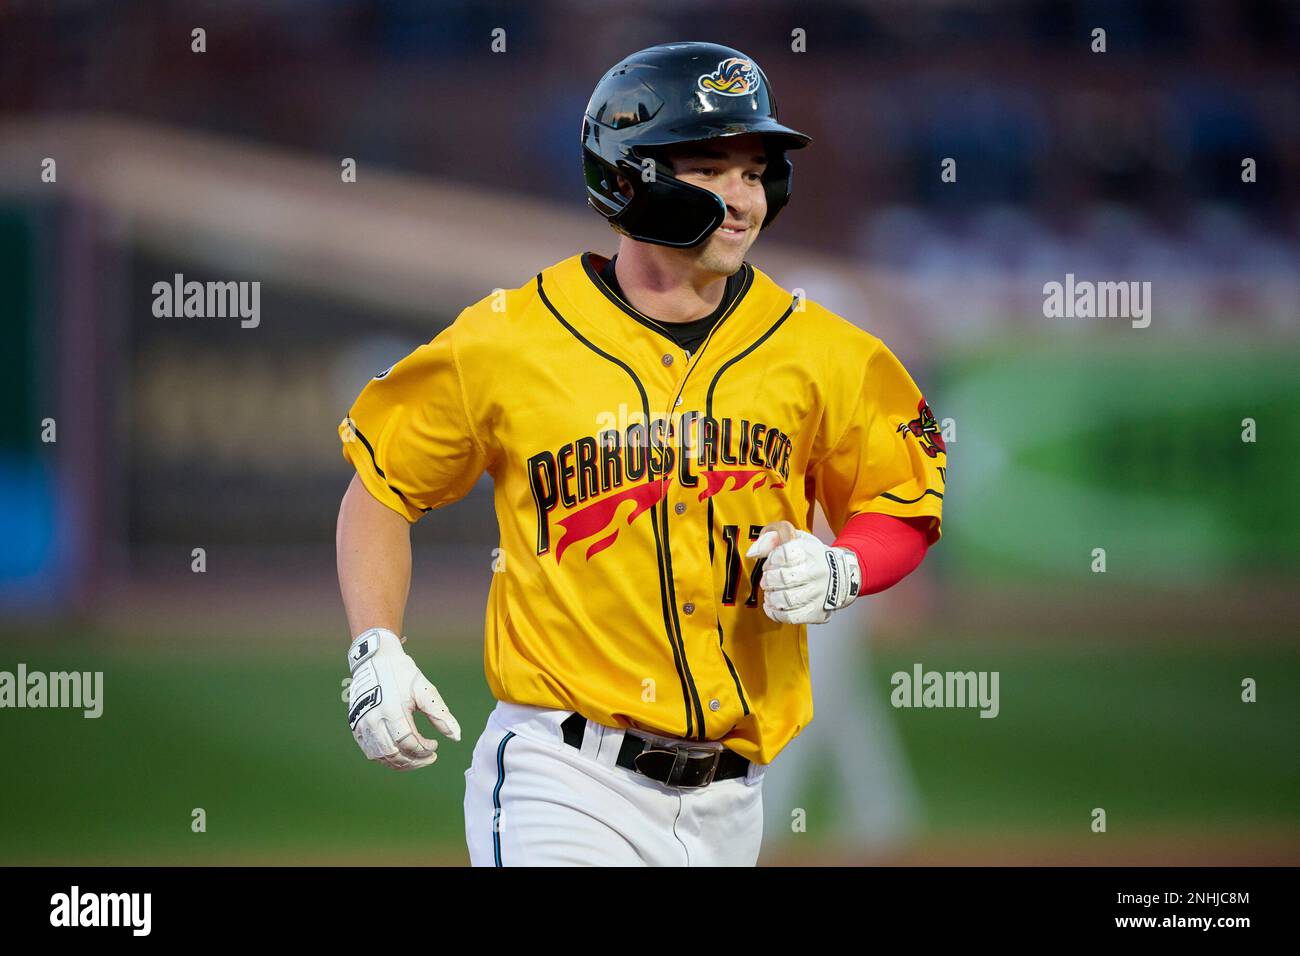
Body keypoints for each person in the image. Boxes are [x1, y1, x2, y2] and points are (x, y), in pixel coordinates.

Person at [335, 41, 946, 867]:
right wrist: (376, 642)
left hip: (735, 802)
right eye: (710, 168)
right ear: (629, 175)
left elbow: (904, 502)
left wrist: (845, 569)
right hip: (564, 778)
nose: (742, 199)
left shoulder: (822, 352)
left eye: (755, 170)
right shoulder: (510, 340)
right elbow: (382, 485)